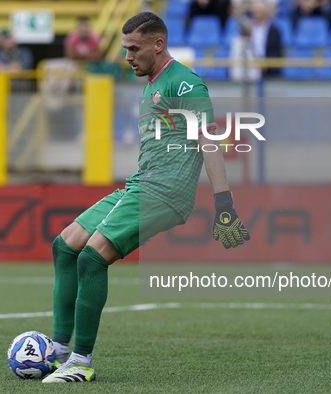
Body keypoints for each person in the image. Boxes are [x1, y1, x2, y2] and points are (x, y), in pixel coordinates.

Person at [42, 11, 250, 384]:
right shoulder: (150, 84)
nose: (127, 56)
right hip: (141, 184)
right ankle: (56, 352)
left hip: (165, 192)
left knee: (92, 258)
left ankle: (80, 361)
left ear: (158, 44)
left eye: (134, 48)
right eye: (125, 49)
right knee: (65, 244)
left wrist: (224, 204)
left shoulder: (185, 84)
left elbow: (208, 141)